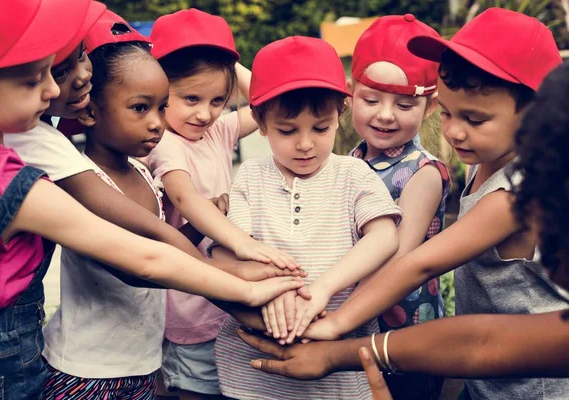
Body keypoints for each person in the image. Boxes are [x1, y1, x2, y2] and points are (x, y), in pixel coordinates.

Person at [0, 1, 305, 398]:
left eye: (64, 65)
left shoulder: (104, 159)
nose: (55, 88)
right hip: (45, 365)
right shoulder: (16, 175)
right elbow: (143, 257)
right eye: (38, 77)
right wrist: (242, 289)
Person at [238, 8, 569, 400]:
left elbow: (419, 262)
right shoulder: (486, 163)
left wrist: (336, 322)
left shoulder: (515, 191)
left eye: (475, 120)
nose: (454, 131)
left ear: (535, 113)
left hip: (531, 386)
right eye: (447, 113)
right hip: (484, 373)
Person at [211, 35, 402, 400]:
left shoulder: (353, 174)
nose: (304, 144)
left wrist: (321, 290)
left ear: (339, 115)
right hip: (254, 373)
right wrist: (271, 294)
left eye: (320, 128)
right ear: (260, 121)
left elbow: (384, 237)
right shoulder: (251, 176)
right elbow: (231, 252)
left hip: (339, 370)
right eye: (287, 130)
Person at [146, 10, 298, 398]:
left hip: (228, 299)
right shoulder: (164, 141)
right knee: (196, 389)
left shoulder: (217, 130)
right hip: (190, 304)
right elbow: (185, 197)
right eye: (190, 98)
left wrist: (227, 60)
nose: (204, 112)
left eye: (217, 99)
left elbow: (273, 100)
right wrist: (244, 243)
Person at [41, 12, 167, 399]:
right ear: (91, 112)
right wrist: (235, 291)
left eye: (162, 107)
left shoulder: (144, 174)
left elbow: (160, 247)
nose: (157, 123)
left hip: (141, 364)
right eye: (140, 108)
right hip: (86, 372)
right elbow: (136, 266)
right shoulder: (83, 181)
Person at [343, 14, 450, 399]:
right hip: (355, 332)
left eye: (404, 105)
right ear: (349, 92)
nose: (385, 114)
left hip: (405, 344)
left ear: (431, 105)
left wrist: (335, 316)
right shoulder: (349, 161)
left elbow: (398, 258)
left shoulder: (423, 172)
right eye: (371, 100)